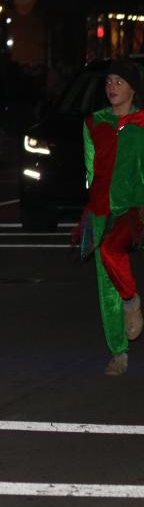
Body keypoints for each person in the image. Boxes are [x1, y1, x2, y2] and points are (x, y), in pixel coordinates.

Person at [81, 60, 144, 376]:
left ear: (133, 88)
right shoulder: (94, 123)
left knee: (111, 253)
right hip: (102, 210)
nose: (112, 87)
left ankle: (132, 302)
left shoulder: (143, 123)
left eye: (119, 81)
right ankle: (119, 353)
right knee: (106, 287)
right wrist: (90, 210)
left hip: (134, 210)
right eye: (108, 82)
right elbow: (90, 171)